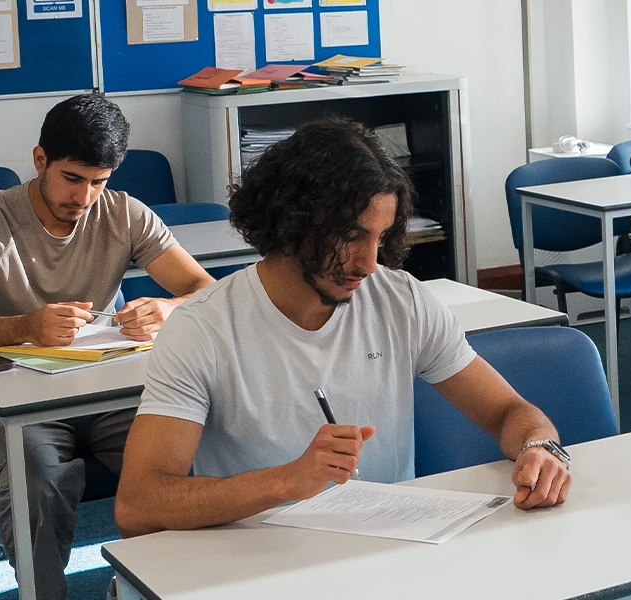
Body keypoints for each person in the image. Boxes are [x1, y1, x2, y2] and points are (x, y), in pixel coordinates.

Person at [115, 117, 572, 538]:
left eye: (380, 236)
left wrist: (540, 448)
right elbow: (139, 505)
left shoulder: (402, 300)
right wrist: (288, 480)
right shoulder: (203, 328)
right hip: (261, 564)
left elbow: (510, 412)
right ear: (290, 222)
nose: (370, 263)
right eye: (351, 236)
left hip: (390, 555)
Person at [0, 92, 218, 600]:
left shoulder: (123, 213)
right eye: (72, 179)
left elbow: (205, 290)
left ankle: (159, 588)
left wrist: (168, 309)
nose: (85, 197)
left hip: (108, 390)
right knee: (36, 478)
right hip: (15, 405)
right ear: (40, 160)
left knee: (193, 457)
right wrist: (25, 326)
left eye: (99, 182)